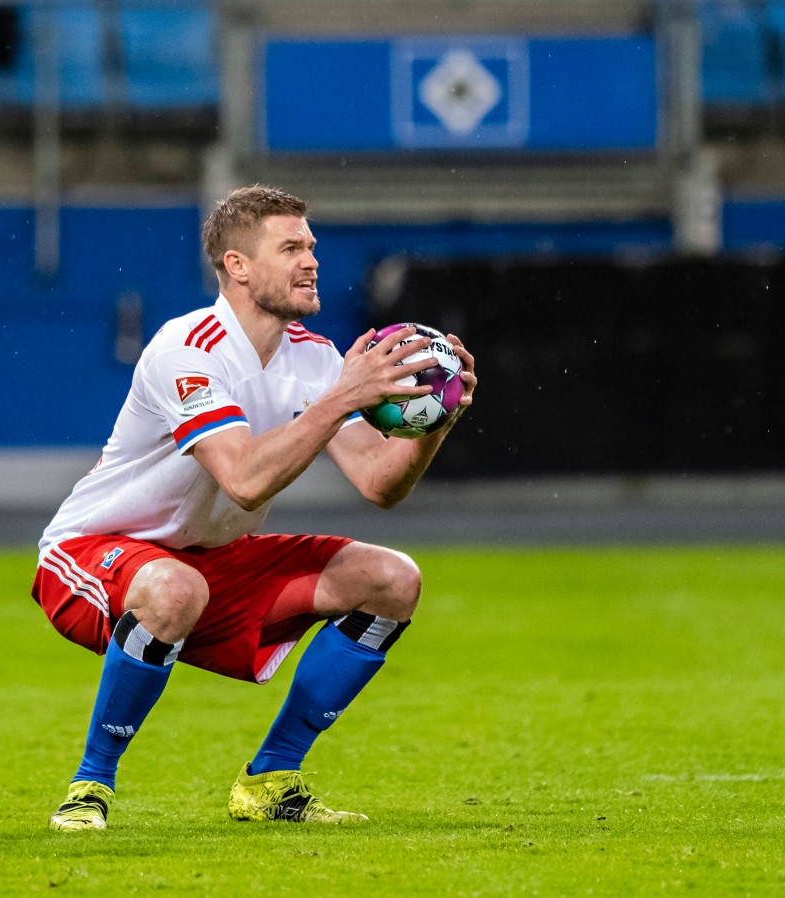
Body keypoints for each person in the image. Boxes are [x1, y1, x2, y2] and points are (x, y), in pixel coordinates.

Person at [31, 184, 476, 830]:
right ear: (237, 266)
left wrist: (439, 417)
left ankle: (271, 780)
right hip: (92, 554)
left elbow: (381, 483)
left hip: (210, 563)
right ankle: (89, 785)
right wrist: (341, 399)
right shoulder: (187, 349)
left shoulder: (315, 360)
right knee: (175, 588)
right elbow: (242, 479)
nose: (311, 260)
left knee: (392, 579)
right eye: (291, 247)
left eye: (312, 246)